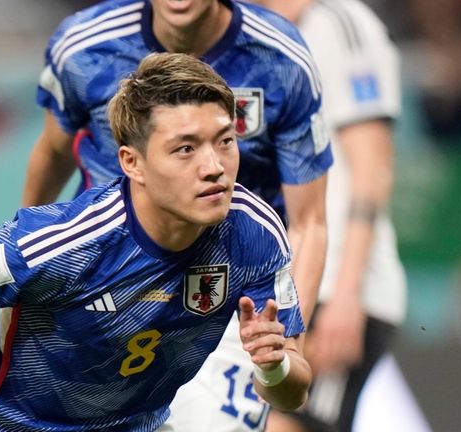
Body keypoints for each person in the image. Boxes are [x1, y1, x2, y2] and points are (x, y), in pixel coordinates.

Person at [0, 52, 311, 432]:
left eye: (225, 142)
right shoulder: (63, 244)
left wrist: (273, 367)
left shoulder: (254, 234)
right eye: (185, 149)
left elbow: (295, 392)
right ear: (132, 162)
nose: (215, 167)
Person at [25, 3, 331, 429]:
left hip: (227, 299)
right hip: (101, 292)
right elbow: (53, 152)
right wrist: (29, 275)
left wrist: (288, 339)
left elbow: (310, 222)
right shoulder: (83, 48)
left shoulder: (282, 60)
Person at [244, 1, 415, 431]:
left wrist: (347, 295)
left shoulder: (339, 24)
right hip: (284, 280)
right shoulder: (248, 31)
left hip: (335, 285)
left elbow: (373, 167)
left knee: (288, 422)